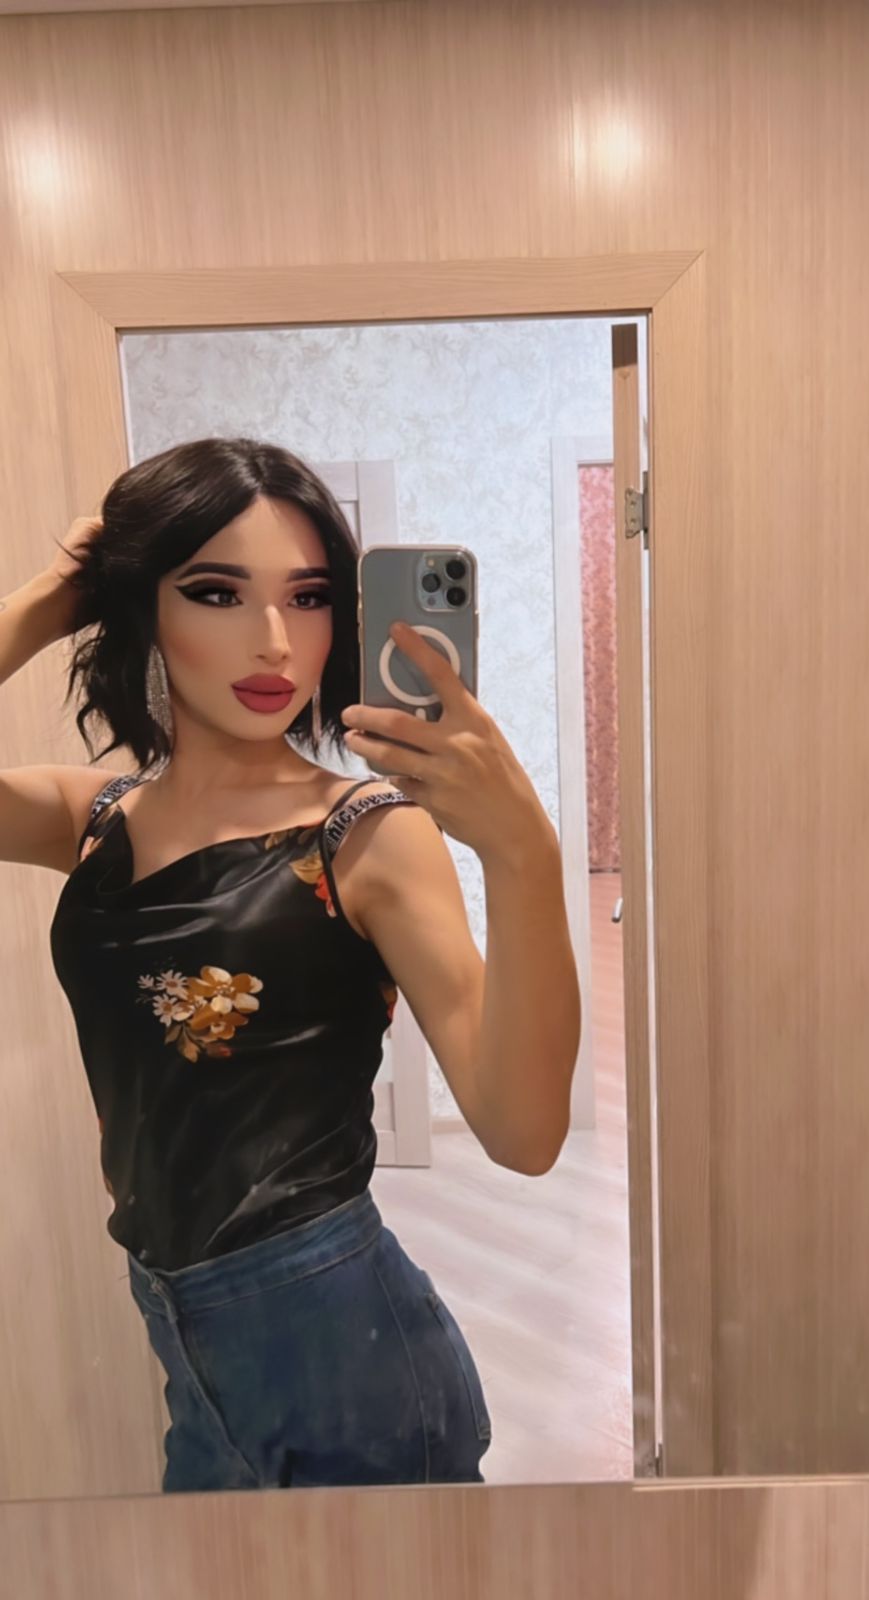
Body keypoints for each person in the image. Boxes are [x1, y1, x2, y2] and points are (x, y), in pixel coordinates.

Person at [0, 437, 581, 1493]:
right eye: (217, 592)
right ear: (144, 606)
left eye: (307, 598)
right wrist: (50, 599)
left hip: (344, 1346)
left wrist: (525, 854)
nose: (273, 640)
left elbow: (524, 1132)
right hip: (181, 1340)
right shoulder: (94, 817)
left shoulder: (367, 834)